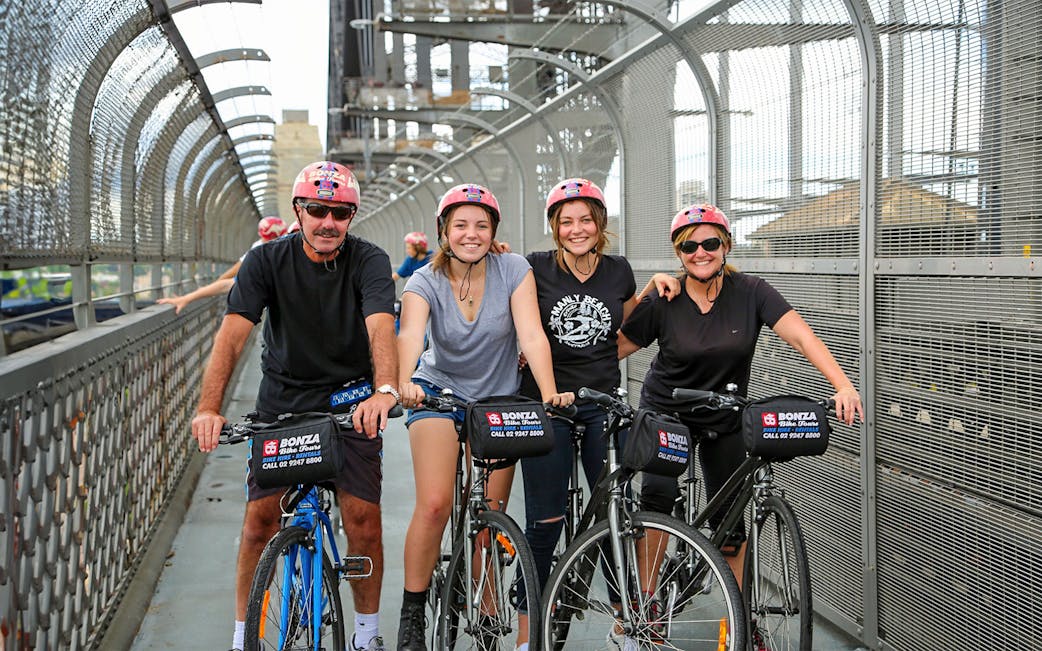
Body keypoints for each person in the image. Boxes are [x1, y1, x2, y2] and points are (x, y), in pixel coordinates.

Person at [190, 161, 399, 651]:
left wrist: (384, 389)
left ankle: (365, 636)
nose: (329, 222)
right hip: (283, 404)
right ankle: (244, 637)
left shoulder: (367, 260)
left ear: (352, 216)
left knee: (363, 520)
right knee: (259, 521)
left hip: (350, 402)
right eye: (318, 210)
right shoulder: (265, 261)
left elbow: (380, 325)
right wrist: (208, 407)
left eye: (341, 213)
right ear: (298, 211)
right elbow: (233, 334)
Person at [617, 203, 863, 597]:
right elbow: (615, 348)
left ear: (726, 245)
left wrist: (842, 383)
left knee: (731, 521)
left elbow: (801, 336)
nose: (700, 252)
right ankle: (645, 608)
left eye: (710, 243)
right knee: (658, 500)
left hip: (724, 412)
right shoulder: (666, 298)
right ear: (678, 253)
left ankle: (739, 619)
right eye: (688, 246)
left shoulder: (751, 292)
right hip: (666, 412)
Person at [394, 183, 574, 651]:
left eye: (481, 225)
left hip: (497, 401)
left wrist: (550, 391)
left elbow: (531, 334)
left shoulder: (513, 269)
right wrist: (406, 379)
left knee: (489, 515)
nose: (470, 234)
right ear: (443, 232)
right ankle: (412, 611)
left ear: (494, 232)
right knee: (434, 504)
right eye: (460, 225)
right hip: (436, 393)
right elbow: (411, 333)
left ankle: (487, 602)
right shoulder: (423, 281)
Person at [516, 177, 678, 644]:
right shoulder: (534, 268)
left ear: (600, 224)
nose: (576, 228)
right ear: (554, 227)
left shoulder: (617, 270)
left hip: (601, 405)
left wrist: (650, 288)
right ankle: (532, 634)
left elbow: (626, 327)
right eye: (566, 221)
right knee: (544, 523)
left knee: (617, 515)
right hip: (546, 404)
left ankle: (626, 623)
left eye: (585, 219)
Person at [158, 216, 287, 314]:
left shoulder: (259, 250)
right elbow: (232, 279)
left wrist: (191, 296)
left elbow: (232, 277)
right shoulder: (276, 252)